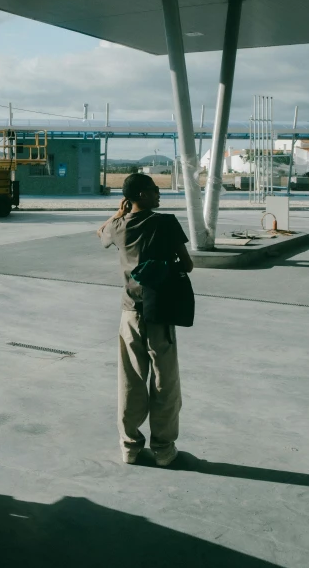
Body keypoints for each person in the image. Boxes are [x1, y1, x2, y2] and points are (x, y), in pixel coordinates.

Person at [97, 173, 193, 467]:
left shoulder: (117, 226)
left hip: (129, 313)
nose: (159, 194)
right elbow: (187, 265)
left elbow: (101, 233)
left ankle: (130, 447)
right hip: (159, 313)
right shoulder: (166, 223)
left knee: (130, 381)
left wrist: (120, 210)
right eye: (154, 190)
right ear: (141, 195)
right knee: (165, 381)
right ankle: (163, 449)